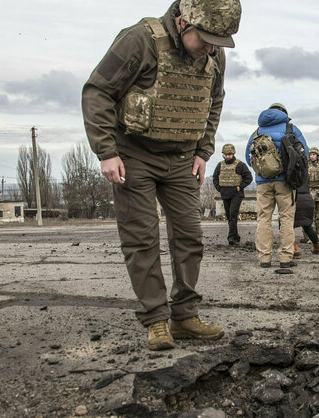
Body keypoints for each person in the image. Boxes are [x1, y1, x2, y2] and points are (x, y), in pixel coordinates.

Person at [82, 0, 241, 351]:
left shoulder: (215, 54)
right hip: (133, 155)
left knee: (190, 237)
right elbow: (98, 92)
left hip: (182, 158)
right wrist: (106, 151)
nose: (213, 48)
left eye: (221, 41)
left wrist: (203, 151)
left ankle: (184, 317)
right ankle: (156, 320)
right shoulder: (140, 40)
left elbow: (215, 101)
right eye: (207, 39)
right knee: (142, 240)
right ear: (184, 22)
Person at [245, 103, 309, 269]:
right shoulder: (291, 129)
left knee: (264, 219)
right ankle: (285, 258)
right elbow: (304, 154)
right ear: (283, 113)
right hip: (285, 182)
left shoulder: (257, 132)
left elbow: (248, 157)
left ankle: (264, 258)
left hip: (262, 182)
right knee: (286, 218)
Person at [212, 143, 252, 245]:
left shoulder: (240, 165)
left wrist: (240, 187)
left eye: (229, 154)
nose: (228, 156)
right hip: (225, 193)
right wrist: (219, 188)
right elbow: (215, 177)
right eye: (226, 154)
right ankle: (235, 236)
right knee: (230, 216)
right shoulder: (220, 165)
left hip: (236, 194)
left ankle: (231, 237)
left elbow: (249, 177)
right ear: (223, 154)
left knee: (233, 214)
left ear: (233, 154)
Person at [292, 173, 319, 259]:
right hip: (307, 198)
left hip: (295, 198)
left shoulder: (290, 170)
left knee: (286, 225)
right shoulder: (304, 170)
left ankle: (294, 248)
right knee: (307, 226)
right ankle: (317, 246)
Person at [307, 147, 319, 240]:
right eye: (311, 154)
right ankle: (311, 235)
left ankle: (318, 232)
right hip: (310, 191)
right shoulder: (306, 165)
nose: (312, 156)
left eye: (314, 155)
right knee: (311, 215)